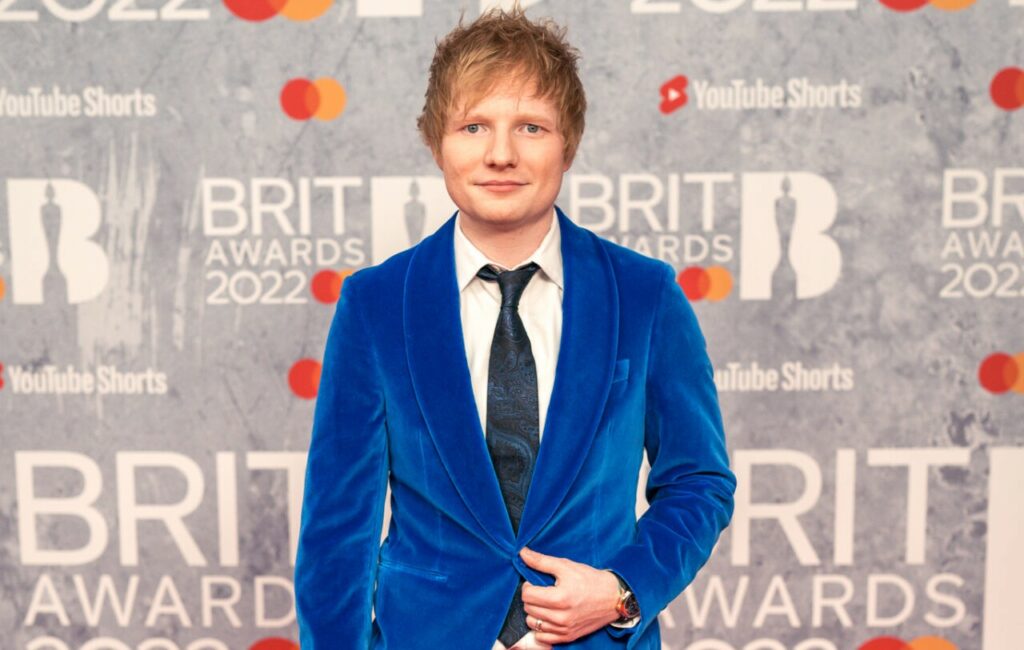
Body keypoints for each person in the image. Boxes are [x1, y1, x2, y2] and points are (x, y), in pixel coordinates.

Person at [294, 7, 735, 650]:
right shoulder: (374, 305)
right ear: (437, 143)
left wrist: (621, 590)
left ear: (568, 143)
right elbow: (338, 530)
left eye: (530, 127)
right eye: (473, 126)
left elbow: (700, 482)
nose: (500, 154)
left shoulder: (646, 297)